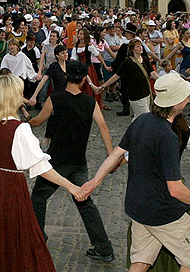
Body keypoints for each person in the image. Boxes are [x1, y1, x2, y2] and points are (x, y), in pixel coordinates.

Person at [82, 73, 190, 272]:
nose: (189, 98)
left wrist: (95, 181)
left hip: (139, 208)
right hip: (164, 213)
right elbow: (175, 189)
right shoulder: (168, 136)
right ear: (175, 103)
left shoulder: (141, 121)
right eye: (186, 96)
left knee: (140, 262)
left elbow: (116, 155)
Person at [0, 73, 83, 272]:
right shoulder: (19, 130)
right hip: (9, 188)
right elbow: (41, 167)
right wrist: (71, 186)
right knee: (18, 238)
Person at [27, 61, 115, 262]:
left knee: (38, 199)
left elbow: (39, 121)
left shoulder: (55, 99)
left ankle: (39, 238)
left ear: (67, 77)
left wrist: (22, 124)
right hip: (78, 162)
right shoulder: (90, 102)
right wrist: (111, 156)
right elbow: (103, 126)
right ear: (84, 79)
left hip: (56, 162)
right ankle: (104, 248)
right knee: (85, 202)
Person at [100, 38, 159, 120]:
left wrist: (162, 80)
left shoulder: (145, 59)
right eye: (137, 46)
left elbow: (152, 73)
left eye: (141, 46)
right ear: (132, 49)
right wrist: (103, 86)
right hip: (136, 94)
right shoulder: (128, 62)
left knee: (138, 117)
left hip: (146, 93)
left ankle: (132, 132)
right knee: (145, 117)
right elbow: (117, 75)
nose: (140, 48)